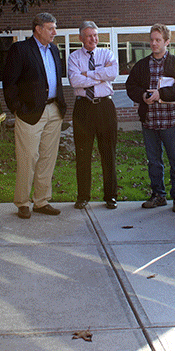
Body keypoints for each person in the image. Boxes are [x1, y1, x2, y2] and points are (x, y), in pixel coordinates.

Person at [2, 12, 66, 219]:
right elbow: (9, 82)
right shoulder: (20, 49)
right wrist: (17, 108)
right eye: (51, 28)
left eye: (54, 28)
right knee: (28, 158)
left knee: (48, 158)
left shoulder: (55, 50)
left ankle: (41, 201)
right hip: (29, 112)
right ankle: (22, 201)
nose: (54, 32)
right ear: (38, 29)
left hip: (54, 110)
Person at [126, 24, 175, 213]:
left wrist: (161, 94)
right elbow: (131, 86)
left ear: (167, 42)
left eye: (158, 40)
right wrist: (143, 96)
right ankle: (158, 195)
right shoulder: (142, 65)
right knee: (154, 160)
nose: (153, 43)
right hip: (150, 121)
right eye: (152, 40)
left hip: (170, 120)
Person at [68, 21, 119, 210]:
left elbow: (113, 73)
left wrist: (88, 73)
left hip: (105, 106)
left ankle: (111, 196)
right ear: (81, 38)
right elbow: (75, 80)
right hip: (83, 109)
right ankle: (83, 196)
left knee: (108, 153)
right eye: (89, 36)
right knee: (83, 154)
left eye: (95, 35)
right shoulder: (74, 57)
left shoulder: (107, 53)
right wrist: (100, 74)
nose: (93, 39)